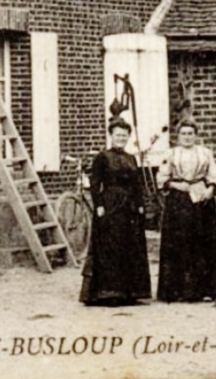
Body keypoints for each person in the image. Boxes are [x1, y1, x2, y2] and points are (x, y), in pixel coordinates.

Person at [79, 118, 152, 306]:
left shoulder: (131, 158)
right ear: (111, 136)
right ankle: (108, 292)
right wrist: (99, 205)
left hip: (129, 208)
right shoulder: (102, 157)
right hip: (110, 205)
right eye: (118, 135)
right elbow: (95, 184)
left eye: (124, 136)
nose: (121, 138)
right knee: (110, 246)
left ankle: (129, 292)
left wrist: (140, 204)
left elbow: (137, 184)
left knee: (129, 245)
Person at [156, 119, 216, 303]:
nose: (187, 137)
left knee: (202, 243)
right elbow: (162, 178)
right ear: (178, 136)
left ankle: (205, 289)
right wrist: (178, 185)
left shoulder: (205, 153)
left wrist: (209, 190)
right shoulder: (170, 153)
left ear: (196, 135)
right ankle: (177, 290)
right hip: (178, 202)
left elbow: (214, 176)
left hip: (201, 202)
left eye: (190, 133)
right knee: (180, 243)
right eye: (184, 134)